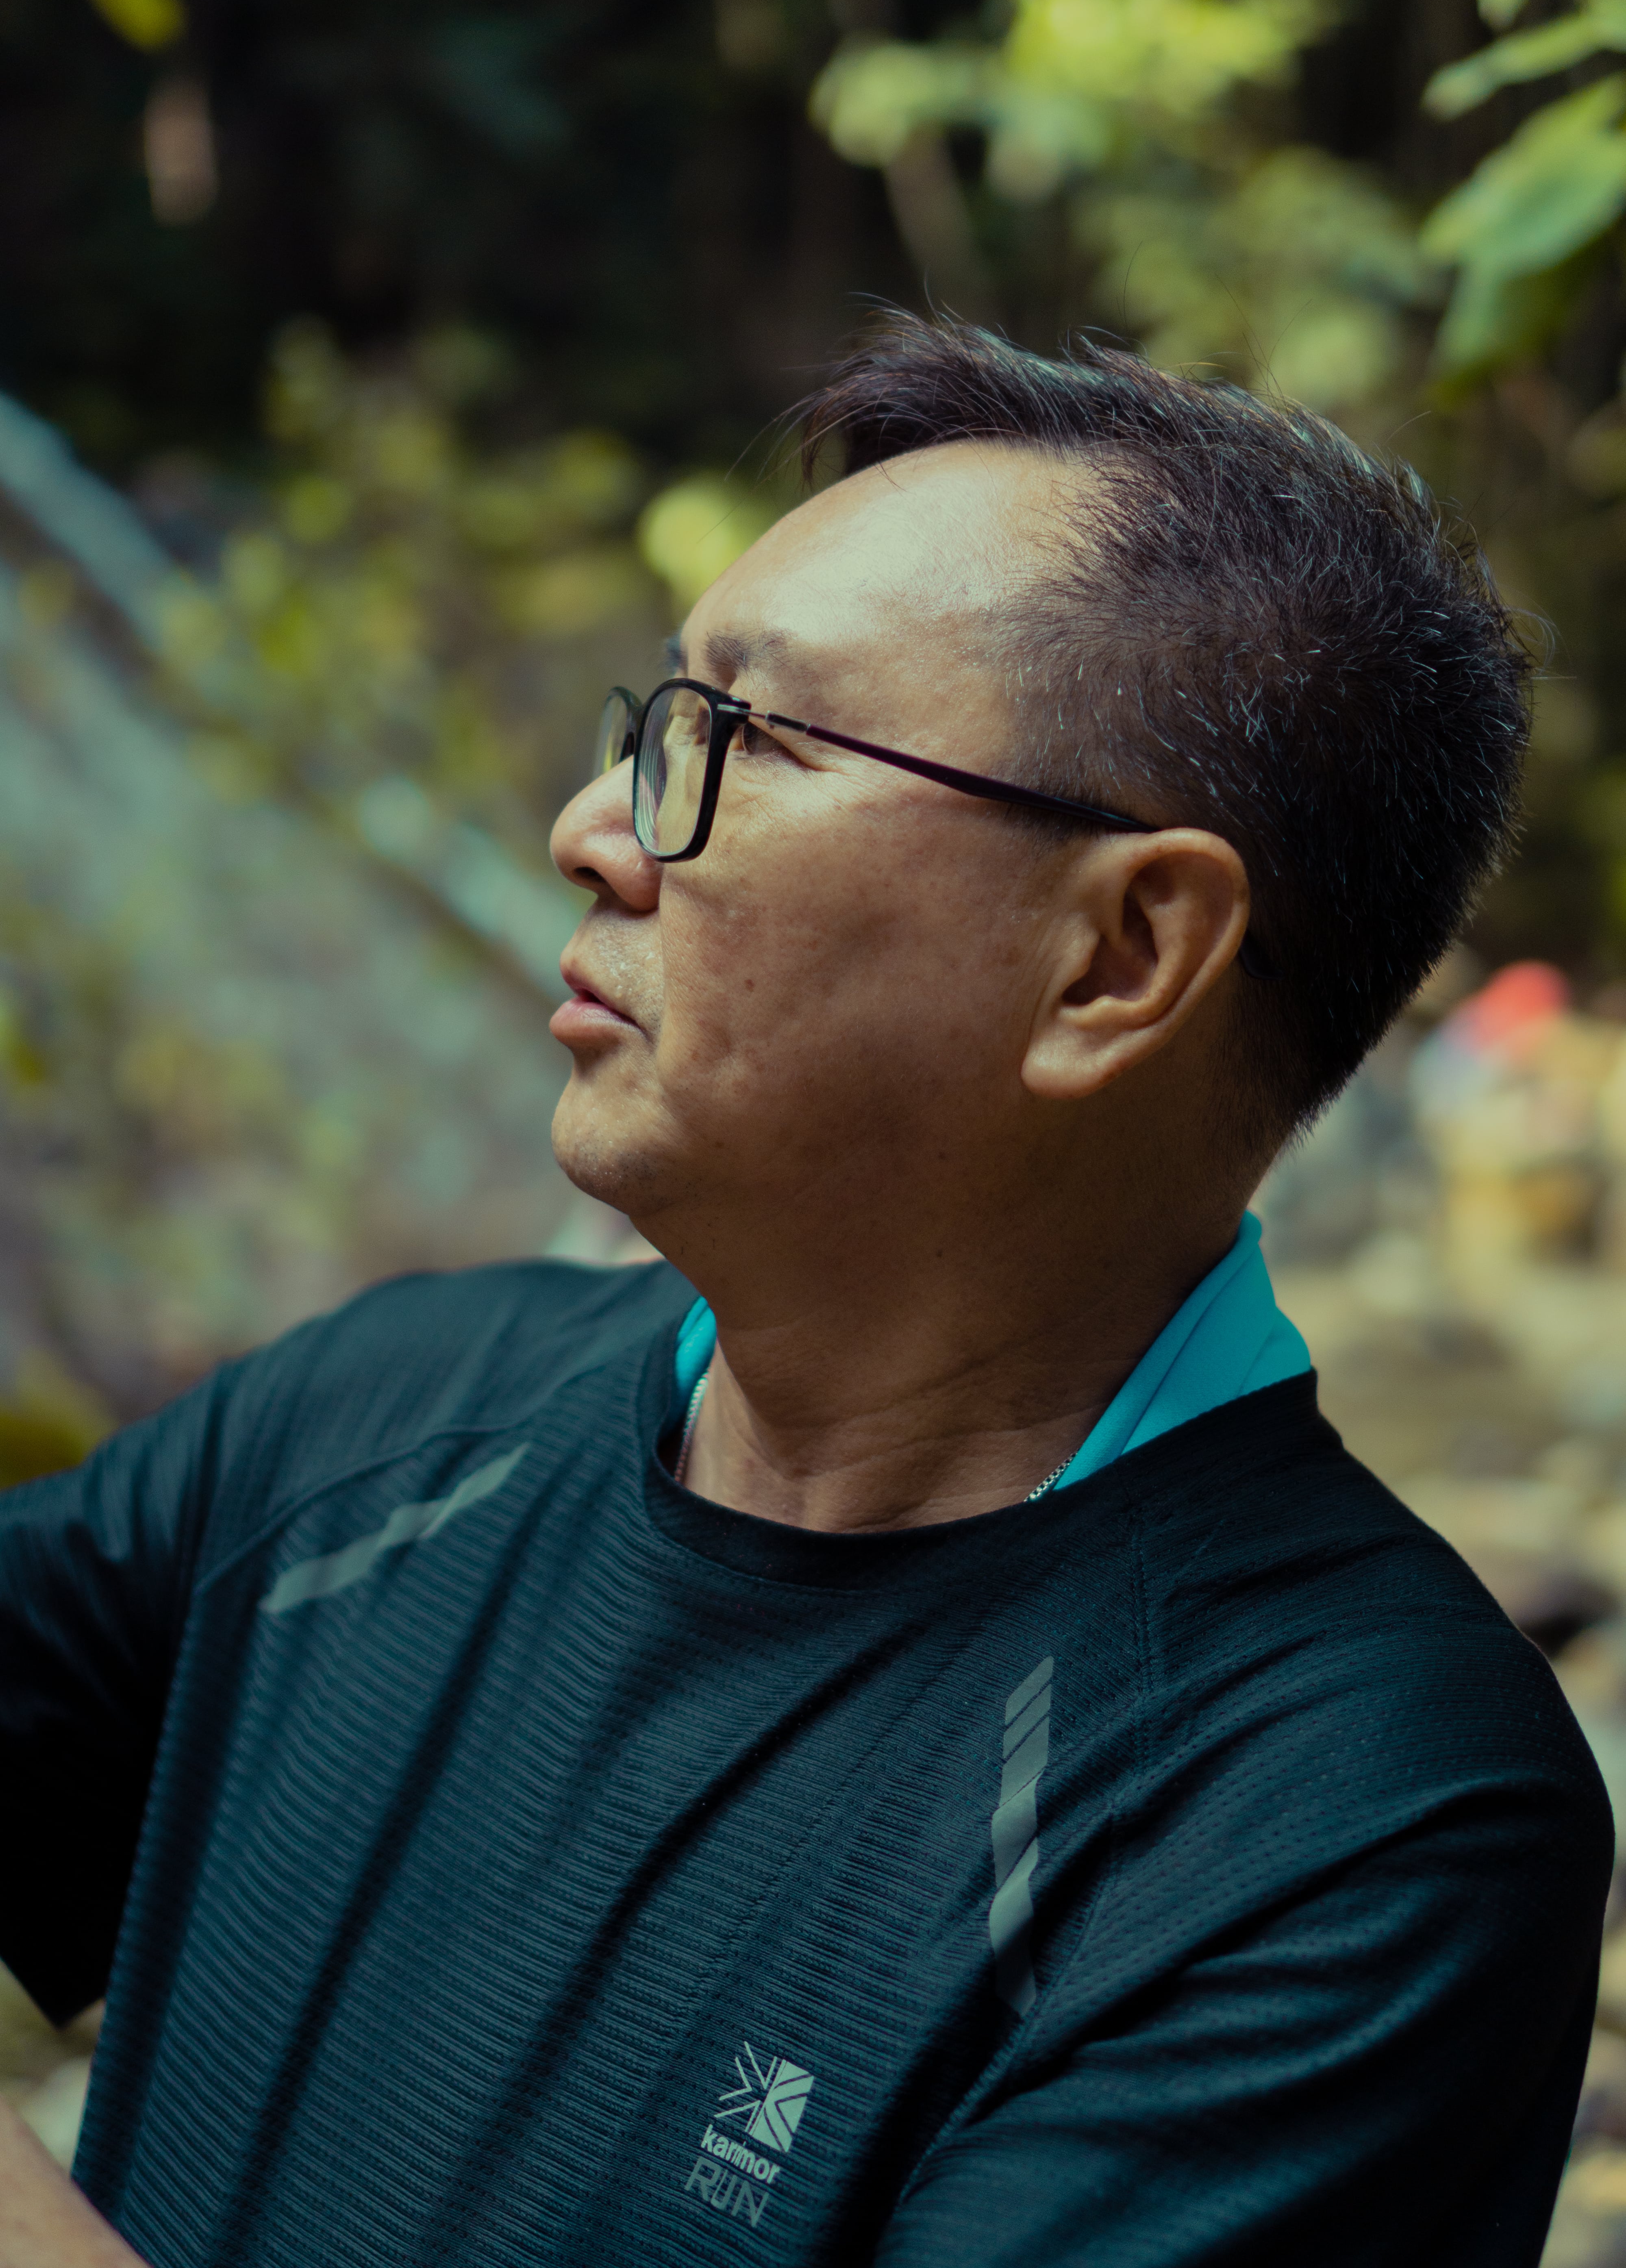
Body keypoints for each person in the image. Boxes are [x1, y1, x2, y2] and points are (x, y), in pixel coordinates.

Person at [0, 314, 1610, 2268]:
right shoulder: (379, 1431)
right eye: (646, 722)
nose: (593, 830)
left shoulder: (1344, 1816)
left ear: (1120, 955)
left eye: (737, 743)